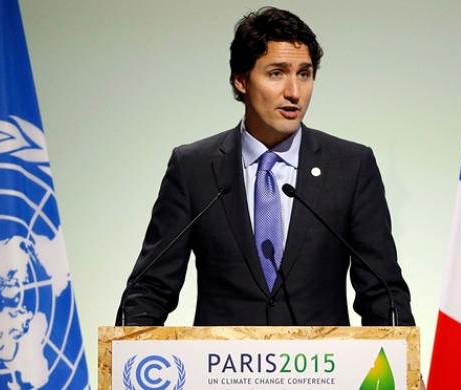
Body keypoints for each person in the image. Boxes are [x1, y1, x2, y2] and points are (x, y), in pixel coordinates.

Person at [116, 6, 414, 326]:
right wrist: (127, 360)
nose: (294, 92)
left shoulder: (351, 167)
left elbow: (383, 294)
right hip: (221, 372)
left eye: (304, 73)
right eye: (277, 73)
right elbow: (151, 288)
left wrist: (403, 366)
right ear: (241, 80)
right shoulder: (193, 168)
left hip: (322, 372)